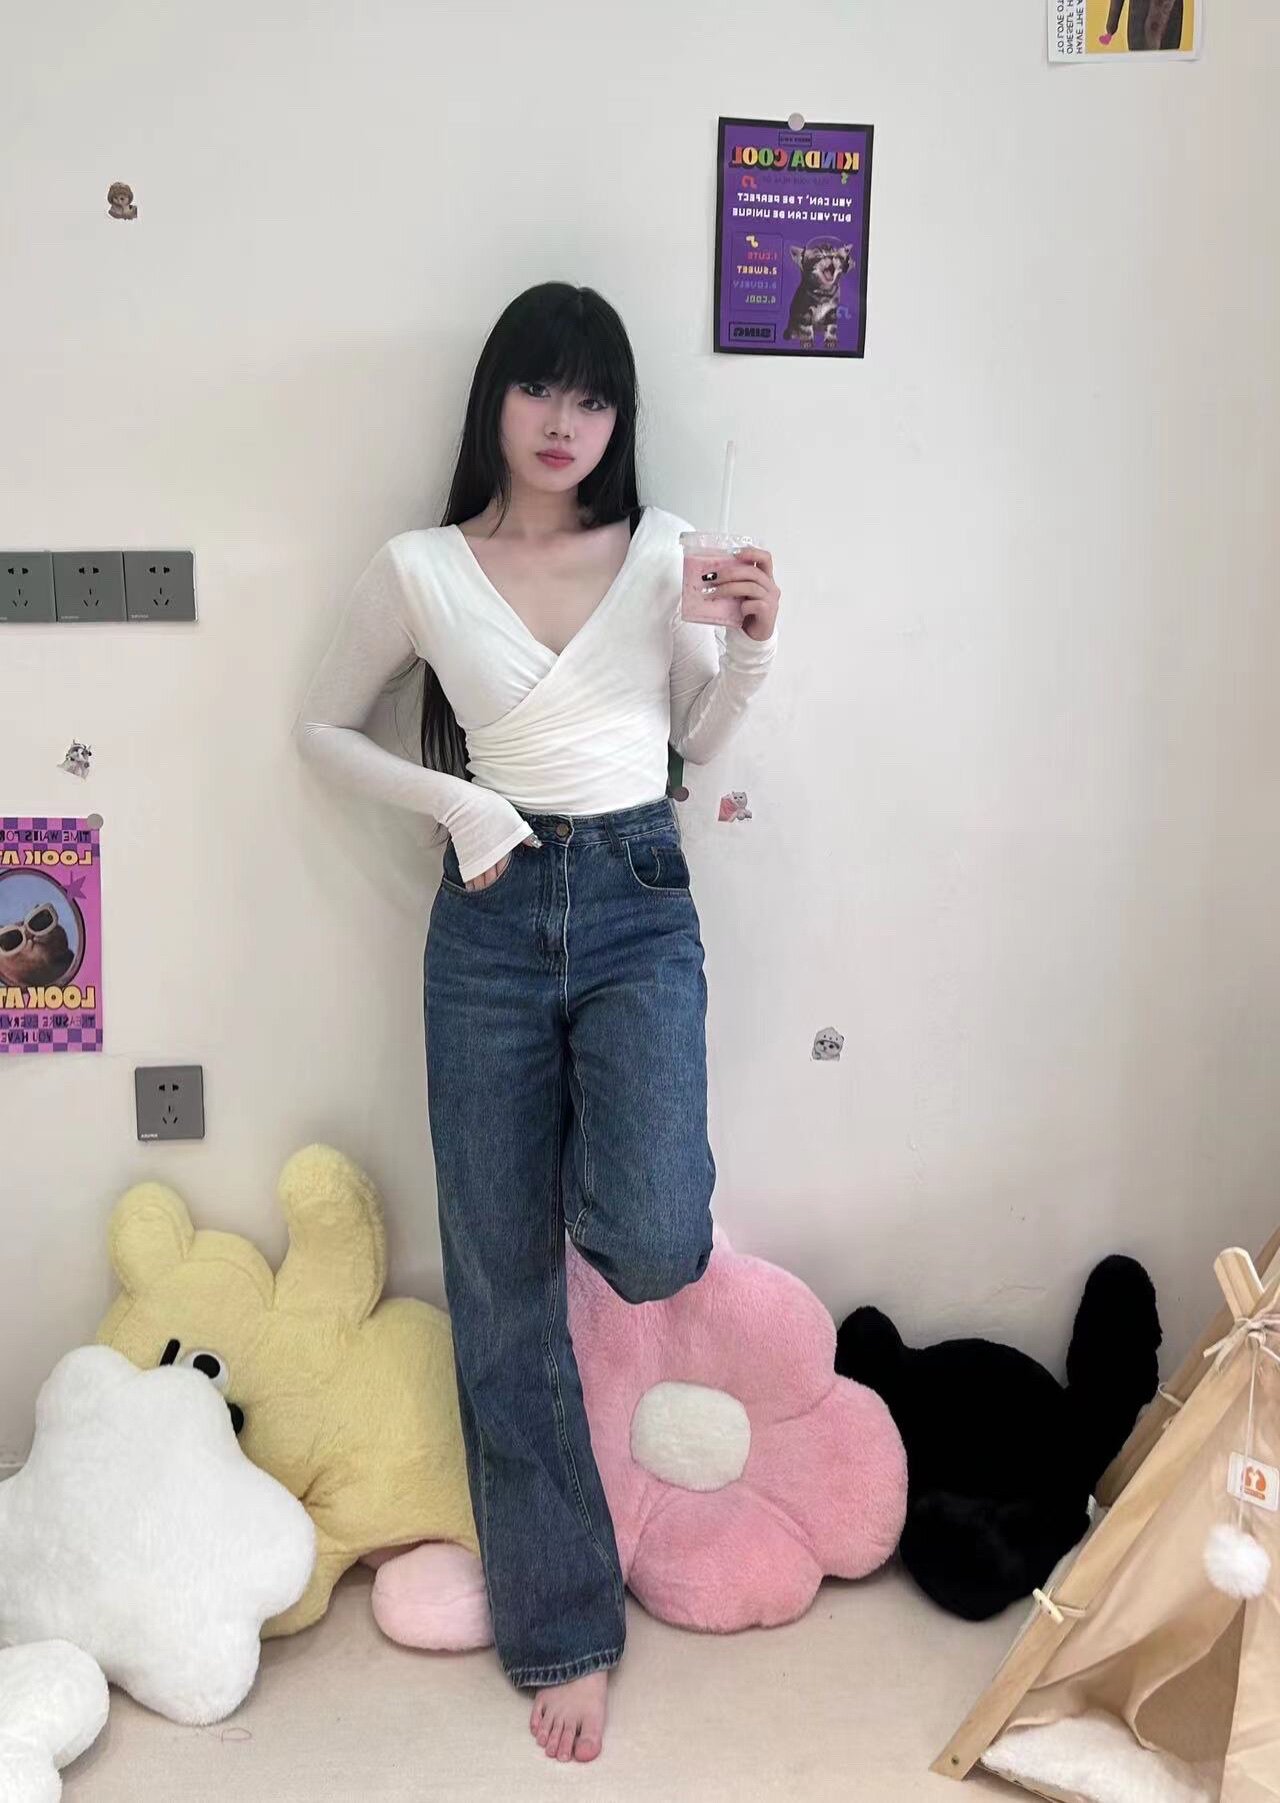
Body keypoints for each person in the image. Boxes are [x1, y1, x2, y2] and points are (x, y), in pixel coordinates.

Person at [294, 282, 780, 1763]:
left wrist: (754, 651)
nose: (564, 422)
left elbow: (691, 743)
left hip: (637, 896)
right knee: (502, 1292)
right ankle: (565, 1627)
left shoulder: (664, 551)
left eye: (593, 397)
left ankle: (560, 1156)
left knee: (655, 1234)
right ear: (494, 400)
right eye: (538, 389)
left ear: (619, 419)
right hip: (490, 919)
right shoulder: (422, 568)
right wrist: (459, 804)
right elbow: (322, 728)